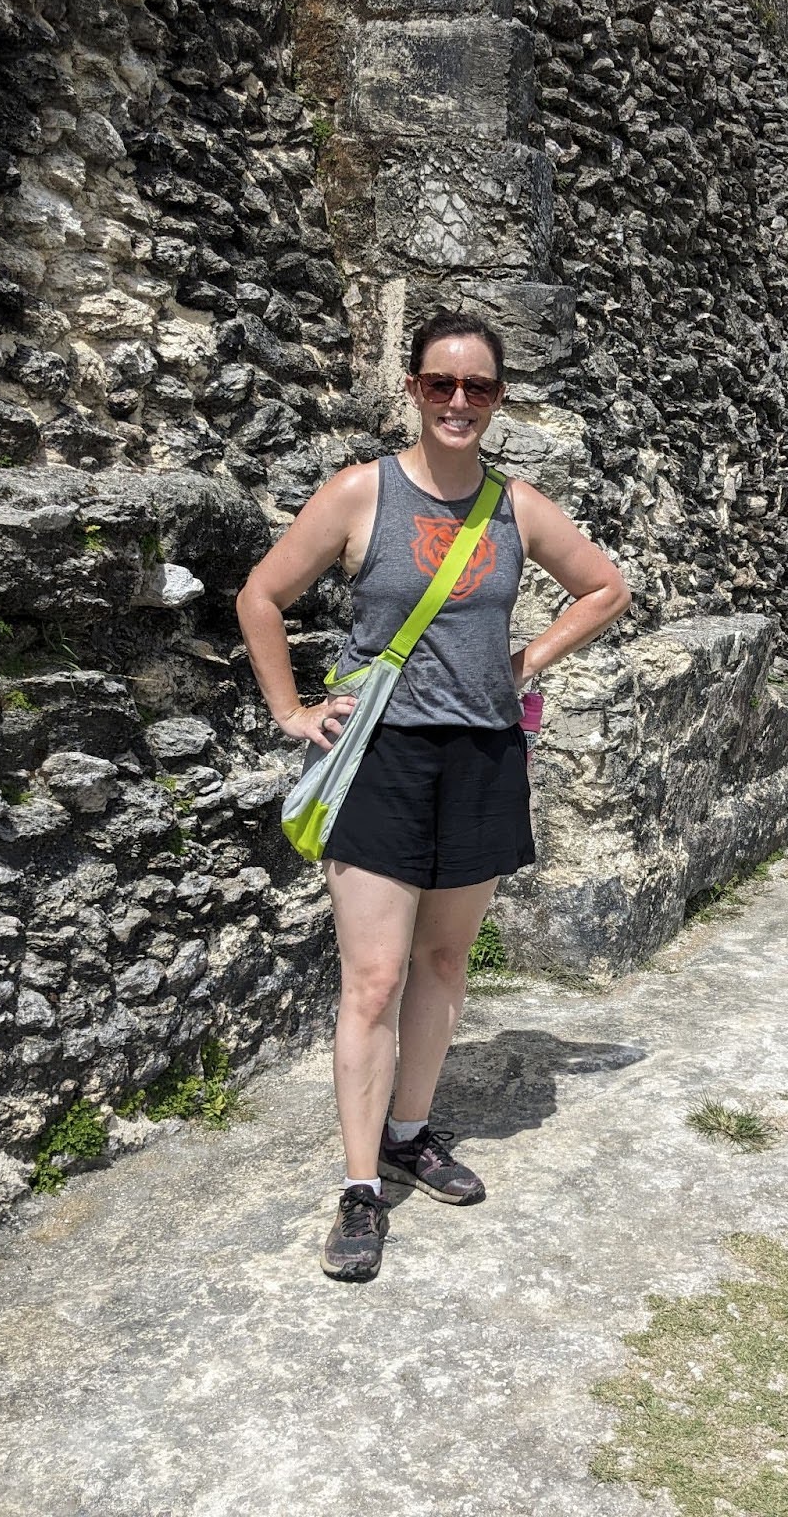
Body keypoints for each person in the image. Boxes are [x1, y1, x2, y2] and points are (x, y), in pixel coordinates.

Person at [235, 308, 631, 1283]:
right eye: (442, 384)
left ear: (499, 400)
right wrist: (290, 711)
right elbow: (260, 597)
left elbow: (605, 587)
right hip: (381, 762)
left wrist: (529, 656)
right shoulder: (361, 494)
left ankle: (411, 1131)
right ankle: (363, 1187)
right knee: (373, 981)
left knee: (447, 962)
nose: (460, 401)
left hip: (485, 759)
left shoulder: (515, 508)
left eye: (480, 388)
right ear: (412, 389)